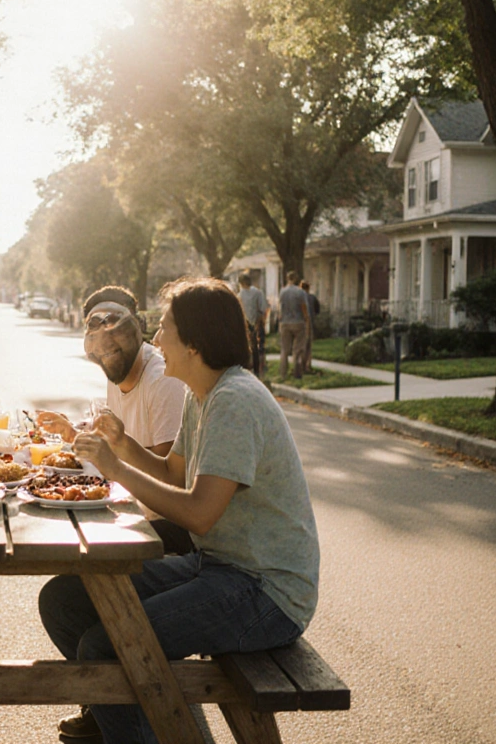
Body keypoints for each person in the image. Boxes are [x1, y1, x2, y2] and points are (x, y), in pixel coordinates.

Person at [43, 277, 319, 744]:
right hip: (218, 567)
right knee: (64, 599)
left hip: (266, 590)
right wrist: (122, 444)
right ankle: (129, 716)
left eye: (164, 328)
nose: (155, 340)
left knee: (107, 644)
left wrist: (113, 467)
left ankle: (136, 725)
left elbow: (199, 515)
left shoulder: (234, 401)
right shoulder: (203, 392)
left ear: (194, 341)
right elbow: (173, 473)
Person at [35, 286, 191, 557]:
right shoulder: (116, 370)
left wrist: (116, 461)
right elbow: (115, 444)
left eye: (115, 326)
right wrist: (73, 434)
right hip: (130, 507)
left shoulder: (163, 380)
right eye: (94, 330)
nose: (106, 341)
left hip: (163, 527)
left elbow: (170, 483)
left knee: (73, 556)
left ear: (136, 327)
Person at [278, 271, 310, 379]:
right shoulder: (300, 292)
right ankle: (297, 373)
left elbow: (280, 307)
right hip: (298, 322)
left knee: (284, 349)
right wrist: (306, 320)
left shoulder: (282, 292)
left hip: (285, 322)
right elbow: (304, 308)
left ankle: (283, 373)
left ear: (287, 278)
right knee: (298, 349)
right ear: (296, 279)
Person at [238, 273, 269, 378]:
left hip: (244, 324)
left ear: (241, 283)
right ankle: (258, 370)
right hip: (257, 322)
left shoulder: (239, 295)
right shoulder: (258, 293)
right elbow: (263, 308)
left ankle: (247, 369)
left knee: (247, 347)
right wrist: (261, 322)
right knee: (258, 347)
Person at [300, 280, 320, 375]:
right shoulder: (312, 298)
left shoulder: (298, 298)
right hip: (309, 323)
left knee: (300, 345)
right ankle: (307, 365)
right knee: (308, 346)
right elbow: (317, 310)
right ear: (308, 288)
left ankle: (300, 365)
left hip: (299, 323)